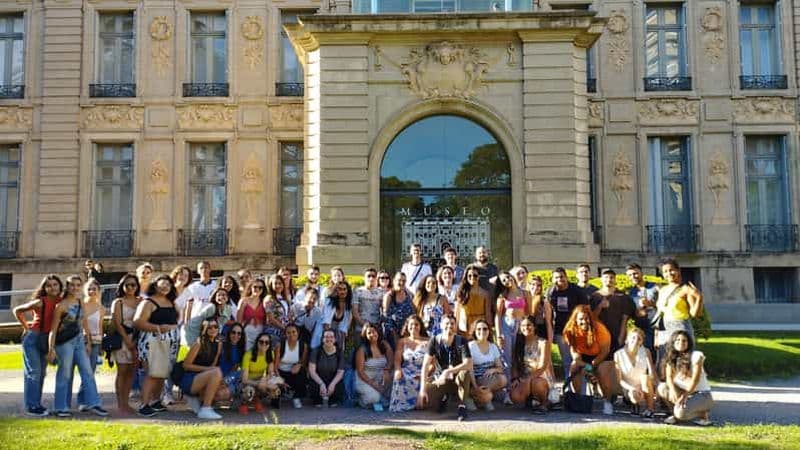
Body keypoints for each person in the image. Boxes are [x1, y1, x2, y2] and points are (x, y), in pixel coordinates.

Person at [48, 275, 109, 417]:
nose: (75, 288)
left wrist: (88, 340)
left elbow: (84, 322)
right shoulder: (61, 306)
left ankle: (94, 403)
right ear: (67, 287)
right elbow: (54, 329)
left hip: (80, 341)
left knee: (88, 371)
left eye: (77, 285)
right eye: (72, 285)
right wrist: (51, 350)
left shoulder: (80, 302)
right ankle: (61, 407)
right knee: (65, 373)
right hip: (64, 344)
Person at [14, 274, 63, 416]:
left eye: (55, 284)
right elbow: (17, 311)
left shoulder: (62, 301)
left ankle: (36, 404)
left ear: (60, 286)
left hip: (47, 339)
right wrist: (26, 327)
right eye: (49, 285)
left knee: (41, 373)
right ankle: (32, 406)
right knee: (34, 373)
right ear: (44, 288)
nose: (52, 287)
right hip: (33, 339)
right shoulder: (40, 302)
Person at [133, 274, 180, 417]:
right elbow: (138, 321)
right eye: (162, 283)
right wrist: (158, 328)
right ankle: (144, 404)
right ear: (155, 285)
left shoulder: (172, 302)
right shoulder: (148, 302)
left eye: (168, 284)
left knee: (162, 373)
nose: (166, 286)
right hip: (152, 340)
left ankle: (155, 401)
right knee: (152, 373)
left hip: (170, 342)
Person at [417, 314, 473, 421]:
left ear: (455, 326)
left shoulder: (461, 341)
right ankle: (444, 397)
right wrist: (422, 391)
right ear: (441, 325)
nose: (449, 326)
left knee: (465, 373)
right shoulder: (434, 341)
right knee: (428, 398)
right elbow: (425, 366)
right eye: (447, 323)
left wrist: (448, 371)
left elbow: (468, 364)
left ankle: (462, 406)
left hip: (458, 378)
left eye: (452, 323)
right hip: (441, 379)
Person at [563, 305, 616, 415]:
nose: (584, 321)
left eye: (586, 318)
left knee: (601, 372)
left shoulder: (600, 329)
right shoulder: (570, 330)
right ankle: (578, 398)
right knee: (574, 367)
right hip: (583, 355)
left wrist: (592, 365)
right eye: (581, 319)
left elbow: (605, 351)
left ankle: (607, 402)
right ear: (575, 320)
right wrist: (579, 362)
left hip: (603, 354)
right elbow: (573, 350)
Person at [655, 259, 703, 369]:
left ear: (678, 271)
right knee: (666, 358)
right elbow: (660, 313)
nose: (669, 273)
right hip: (665, 327)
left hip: (681, 326)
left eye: (671, 270)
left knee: (683, 358)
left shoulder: (685, 289)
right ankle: (668, 383)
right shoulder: (662, 290)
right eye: (665, 271)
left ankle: (685, 383)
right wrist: (657, 335)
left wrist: (699, 298)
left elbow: (695, 313)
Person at [658, 330, 713, 426]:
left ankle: (703, 413)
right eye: (678, 340)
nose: (681, 343)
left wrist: (685, 396)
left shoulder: (696, 356)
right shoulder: (671, 358)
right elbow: (669, 377)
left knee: (681, 414)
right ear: (673, 342)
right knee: (662, 388)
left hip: (701, 394)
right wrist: (672, 390)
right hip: (683, 392)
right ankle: (675, 413)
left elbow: (695, 381)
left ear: (689, 343)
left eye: (684, 341)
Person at [179, 321, 226, 420]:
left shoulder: (218, 344)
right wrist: (208, 369)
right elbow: (186, 365)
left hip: (203, 377)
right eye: (210, 327)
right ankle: (206, 409)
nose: (213, 329)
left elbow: (213, 365)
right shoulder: (198, 344)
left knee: (223, 390)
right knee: (216, 372)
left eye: (215, 326)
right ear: (204, 329)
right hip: (190, 379)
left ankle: (198, 399)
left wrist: (212, 370)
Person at [548, 267, 589, 379]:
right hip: (560, 330)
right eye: (556, 277)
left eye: (561, 276)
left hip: (577, 330)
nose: (559, 279)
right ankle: (569, 386)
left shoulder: (576, 290)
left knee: (579, 359)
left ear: (566, 277)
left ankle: (582, 386)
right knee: (566, 360)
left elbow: (586, 309)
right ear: (552, 279)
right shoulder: (551, 292)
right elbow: (549, 311)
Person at [110, 274, 141, 414]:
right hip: (122, 339)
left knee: (131, 372)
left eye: (133, 285)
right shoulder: (118, 302)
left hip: (137, 339)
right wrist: (127, 340)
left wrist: (134, 340)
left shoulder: (141, 301)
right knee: (122, 371)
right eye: (127, 285)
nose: (130, 288)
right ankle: (120, 404)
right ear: (122, 286)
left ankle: (126, 402)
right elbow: (116, 322)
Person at [509, 315, 552, 414]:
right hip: (524, 377)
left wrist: (528, 379)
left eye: (529, 325)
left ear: (534, 327)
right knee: (515, 396)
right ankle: (531, 399)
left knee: (536, 384)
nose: (526, 328)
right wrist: (515, 379)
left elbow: (542, 367)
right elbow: (515, 364)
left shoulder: (543, 343)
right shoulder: (519, 343)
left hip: (541, 376)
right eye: (523, 326)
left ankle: (545, 402)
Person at [494, 271, 530, 386]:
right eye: (503, 280)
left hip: (521, 326)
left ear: (512, 276)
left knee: (520, 356)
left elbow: (529, 312)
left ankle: (521, 385)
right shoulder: (503, 296)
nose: (507, 281)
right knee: (506, 357)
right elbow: (498, 316)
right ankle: (507, 388)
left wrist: (526, 325)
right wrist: (499, 334)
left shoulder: (525, 293)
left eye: (507, 277)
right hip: (507, 325)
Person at [590, 269, 636, 356]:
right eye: (606, 277)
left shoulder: (623, 296)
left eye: (611, 277)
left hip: (617, 336)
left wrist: (621, 337)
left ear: (615, 279)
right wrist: (600, 306)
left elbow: (625, 319)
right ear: (601, 279)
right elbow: (591, 318)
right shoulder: (595, 296)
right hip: (600, 336)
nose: (609, 279)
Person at [75, 278, 105, 411]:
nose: (92, 291)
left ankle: (86, 400)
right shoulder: (80, 305)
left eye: (94, 289)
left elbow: (100, 326)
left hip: (96, 342)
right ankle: (82, 400)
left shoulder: (101, 308)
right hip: (82, 341)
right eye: (89, 289)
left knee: (90, 371)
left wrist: (101, 345)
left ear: (99, 291)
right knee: (84, 371)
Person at [389, 315, 430, 412]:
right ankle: (402, 406)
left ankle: (419, 403)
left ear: (420, 326)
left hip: (423, 371)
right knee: (399, 378)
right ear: (407, 326)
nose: (414, 327)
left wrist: (424, 374)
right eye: (411, 324)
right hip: (407, 370)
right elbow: (397, 359)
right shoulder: (402, 341)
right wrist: (398, 370)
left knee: (420, 380)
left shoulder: (428, 341)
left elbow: (432, 363)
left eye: (416, 324)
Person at [614, 328, 656, 418]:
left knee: (645, 377)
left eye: (639, 339)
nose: (635, 340)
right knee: (634, 394)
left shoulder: (646, 352)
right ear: (627, 339)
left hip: (643, 385)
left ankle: (650, 409)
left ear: (641, 342)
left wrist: (651, 385)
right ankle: (635, 405)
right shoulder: (618, 354)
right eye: (633, 337)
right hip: (628, 387)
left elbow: (652, 373)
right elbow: (620, 380)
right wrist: (632, 388)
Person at [468, 319, 507, 411]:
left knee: (503, 379)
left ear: (489, 331)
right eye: (479, 329)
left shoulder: (493, 346)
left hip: (489, 378)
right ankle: (474, 394)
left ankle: (483, 397)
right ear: (474, 331)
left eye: (485, 329)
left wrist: (493, 370)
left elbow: (501, 368)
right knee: (488, 396)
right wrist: (475, 386)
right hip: (475, 379)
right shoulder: (471, 346)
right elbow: (469, 369)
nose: (482, 331)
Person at [354, 322, 393, 411]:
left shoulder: (384, 344)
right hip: (365, 380)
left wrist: (387, 370)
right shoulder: (362, 350)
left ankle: (380, 398)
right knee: (374, 398)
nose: (372, 334)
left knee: (394, 377)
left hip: (381, 378)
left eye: (374, 331)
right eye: (369, 333)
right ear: (365, 335)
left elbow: (391, 360)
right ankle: (361, 400)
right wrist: (374, 385)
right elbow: (360, 372)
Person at [240, 332, 279, 414]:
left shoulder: (270, 353)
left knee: (275, 389)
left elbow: (271, 373)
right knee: (249, 391)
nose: (264, 344)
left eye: (267, 342)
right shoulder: (248, 355)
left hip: (260, 380)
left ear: (269, 344)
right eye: (261, 342)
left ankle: (256, 399)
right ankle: (244, 403)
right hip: (247, 382)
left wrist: (265, 380)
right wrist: (258, 383)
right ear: (257, 343)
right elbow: (244, 379)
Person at [626, 263, 659, 357]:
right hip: (641, 328)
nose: (633, 276)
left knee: (659, 355)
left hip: (657, 327)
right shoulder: (631, 292)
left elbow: (665, 306)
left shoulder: (654, 287)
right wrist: (636, 313)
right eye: (630, 275)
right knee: (645, 356)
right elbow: (631, 313)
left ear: (641, 273)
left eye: (635, 273)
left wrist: (651, 304)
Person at [308, 329, 346, 407]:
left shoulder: (340, 352)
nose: (329, 339)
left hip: (332, 379)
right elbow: (312, 371)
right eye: (326, 337)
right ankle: (317, 400)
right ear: (322, 339)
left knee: (339, 386)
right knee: (314, 386)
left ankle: (332, 399)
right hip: (318, 379)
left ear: (335, 339)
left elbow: (340, 372)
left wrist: (332, 384)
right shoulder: (316, 351)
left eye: (331, 337)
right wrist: (321, 384)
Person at [274, 324, 308, 409]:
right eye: (288, 333)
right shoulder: (280, 345)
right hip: (280, 373)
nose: (291, 334)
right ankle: (280, 394)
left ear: (298, 333)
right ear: (285, 334)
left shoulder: (303, 346)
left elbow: (303, 363)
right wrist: (280, 380)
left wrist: (299, 365)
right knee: (275, 403)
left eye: (294, 332)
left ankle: (296, 397)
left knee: (302, 372)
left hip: (293, 373)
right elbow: (275, 367)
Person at [454, 265, 491, 337]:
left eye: (475, 275)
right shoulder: (461, 292)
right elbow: (457, 312)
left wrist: (489, 329)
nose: (472, 277)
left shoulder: (485, 293)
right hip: (465, 324)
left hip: (480, 325)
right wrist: (456, 327)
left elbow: (488, 313)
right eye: (469, 276)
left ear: (479, 276)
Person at [382, 272, 414, 347]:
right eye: (399, 280)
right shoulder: (389, 296)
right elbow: (386, 317)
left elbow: (413, 314)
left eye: (404, 281)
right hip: (393, 334)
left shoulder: (408, 295)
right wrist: (395, 336)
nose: (401, 283)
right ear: (394, 281)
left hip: (407, 333)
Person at [219, 322, 245, 405]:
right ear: (229, 333)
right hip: (216, 376)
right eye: (233, 332)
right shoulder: (221, 345)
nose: (236, 335)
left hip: (229, 378)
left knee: (225, 392)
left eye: (239, 333)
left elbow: (235, 367)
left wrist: (228, 379)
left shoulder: (240, 349)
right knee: (220, 393)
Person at [237, 278, 267, 350]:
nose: (257, 289)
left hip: (261, 330)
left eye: (260, 287)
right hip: (247, 331)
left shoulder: (265, 301)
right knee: (247, 353)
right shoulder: (244, 301)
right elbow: (239, 320)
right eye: (255, 287)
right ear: (251, 287)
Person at [353, 268, 384, 337]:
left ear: (376, 278)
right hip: (361, 329)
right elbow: (355, 312)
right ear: (364, 278)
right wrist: (364, 324)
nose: (371, 278)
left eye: (373, 276)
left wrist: (378, 324)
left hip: (376, 329)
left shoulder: (381, 293)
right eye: (368, 276)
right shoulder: (357, 291)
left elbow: (384, 311)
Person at [264, 274, 292, 347]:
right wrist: (284, 328)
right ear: (271, 285)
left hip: (285, 332)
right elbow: (270, 318)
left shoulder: (285, 298)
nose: (278, 286)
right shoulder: (269, 299)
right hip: (274, 331)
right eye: (275, 283)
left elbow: (288, 314)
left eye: (280, 283)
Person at [529, 275, 553, 343]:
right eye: (533, 284)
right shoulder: (524, 298)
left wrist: (550, 340)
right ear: (529, 285)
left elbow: (548, 322)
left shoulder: (544, 301)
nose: (536, 287)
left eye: (538, 285)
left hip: (540, 330)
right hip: (526, 329)